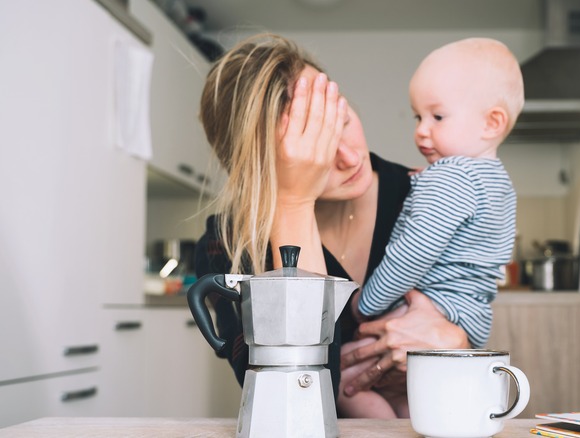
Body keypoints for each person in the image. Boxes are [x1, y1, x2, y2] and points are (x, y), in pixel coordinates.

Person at [193, 33, 469, 416]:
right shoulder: (227, 245)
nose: (348, 155)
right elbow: (295, 403)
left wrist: (459, 346)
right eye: (311, 146)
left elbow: (477, 355)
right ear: (257, 170)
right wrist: (293, 203)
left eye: (339, 118)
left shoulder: (430, 198)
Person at [339, 37, 524, 418]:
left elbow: (412, 254)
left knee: (339, 374)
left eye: (437, 117)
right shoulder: (498, 182)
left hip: (428, 307)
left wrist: (366, 303)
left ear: (492, 123)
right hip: (467, 320)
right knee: (417, 398)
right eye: (417, 117)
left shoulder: (452, 180)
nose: (421, 131)